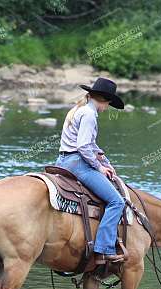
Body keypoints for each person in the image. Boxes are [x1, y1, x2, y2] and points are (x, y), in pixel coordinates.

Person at [55, 77, 126, 263]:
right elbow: (83, 146)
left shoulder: (79, 109)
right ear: (104, 99)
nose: (107, 108)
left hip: (62, 160)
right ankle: (103, 248)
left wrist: (106, 162)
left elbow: (91, 144)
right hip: (77, 162)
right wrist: (99, 168)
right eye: (108, 104)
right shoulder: (89, 114)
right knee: (117, 202)